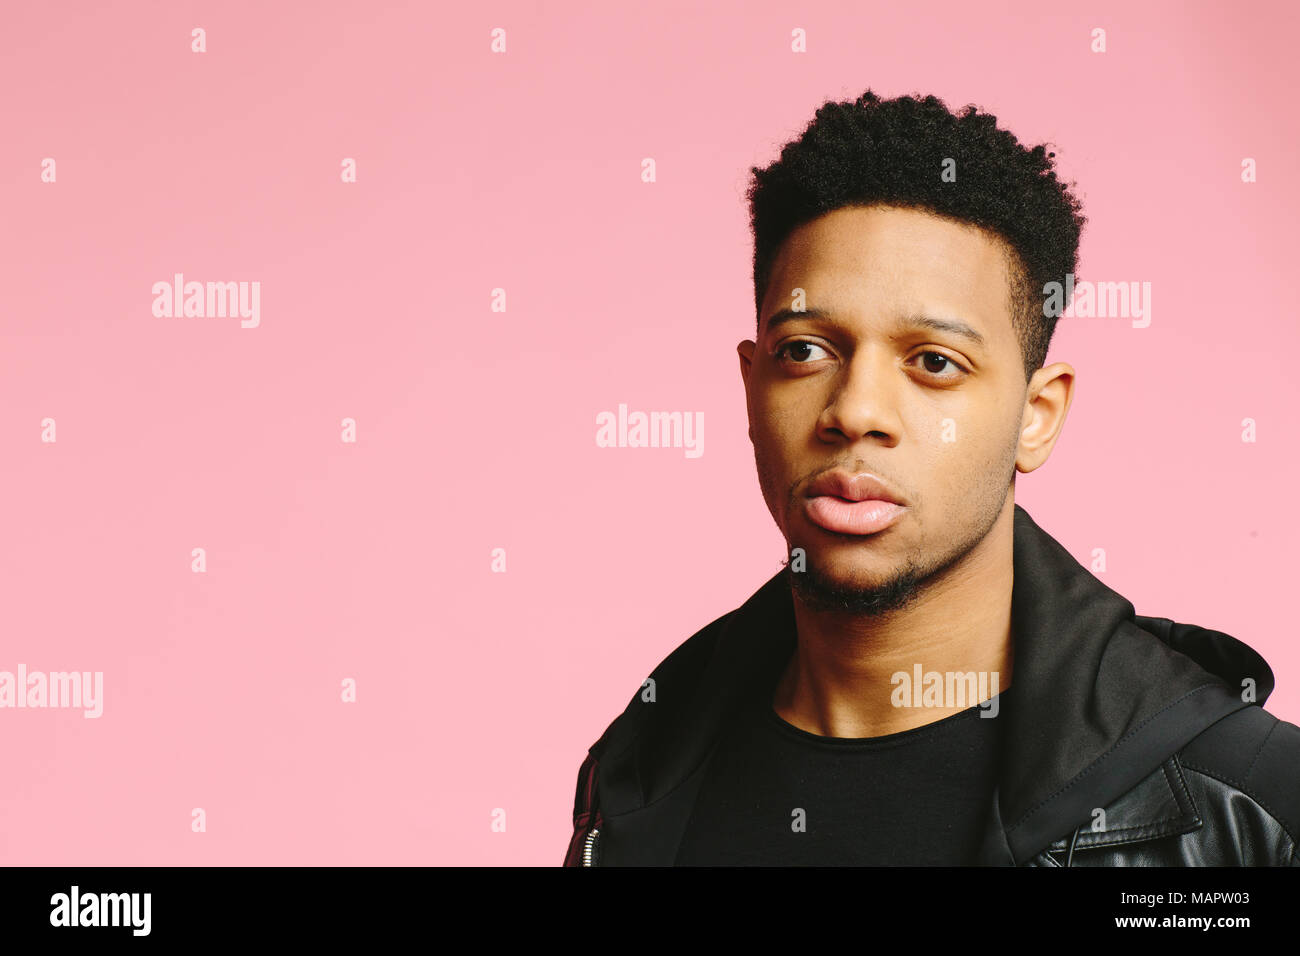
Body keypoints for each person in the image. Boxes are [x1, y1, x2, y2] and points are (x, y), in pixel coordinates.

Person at [563, 90, 1300, 866]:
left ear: (1037, 415)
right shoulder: (640, 771)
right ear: (751, 388)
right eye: (805, 351)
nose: (855, 412)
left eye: (935, 363)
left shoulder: (1251, 808)